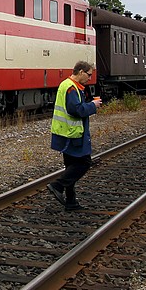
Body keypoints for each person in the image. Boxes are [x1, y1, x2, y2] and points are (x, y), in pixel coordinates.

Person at [47, 60, 101, 211]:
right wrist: (93, 106)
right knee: (84, 163)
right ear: (81, 72)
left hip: (65, 133)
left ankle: (71, 202)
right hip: (72, 134)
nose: (90, 78)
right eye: (89, 75)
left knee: (71, 165)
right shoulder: (71, 88)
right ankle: (57, 185)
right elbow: (75, 110)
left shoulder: (69, 86)